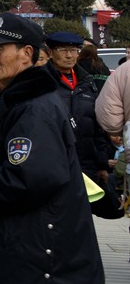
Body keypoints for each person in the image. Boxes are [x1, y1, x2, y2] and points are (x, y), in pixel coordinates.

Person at [0, 13, 108, 284]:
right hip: (17, 251)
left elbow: (31, 177)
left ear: (27, 54)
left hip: (31, 257)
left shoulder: (34, 108)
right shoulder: (16, 101)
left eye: (0, 49)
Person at [44, 32, 112, 186]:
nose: (69, 55)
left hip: (87, 163)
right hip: (54, 163)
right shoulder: (42, 81)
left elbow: (97, 126)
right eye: (63, 50)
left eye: (74, 50)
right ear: (51, 53)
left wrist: (102, 164)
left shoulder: (86, 81)